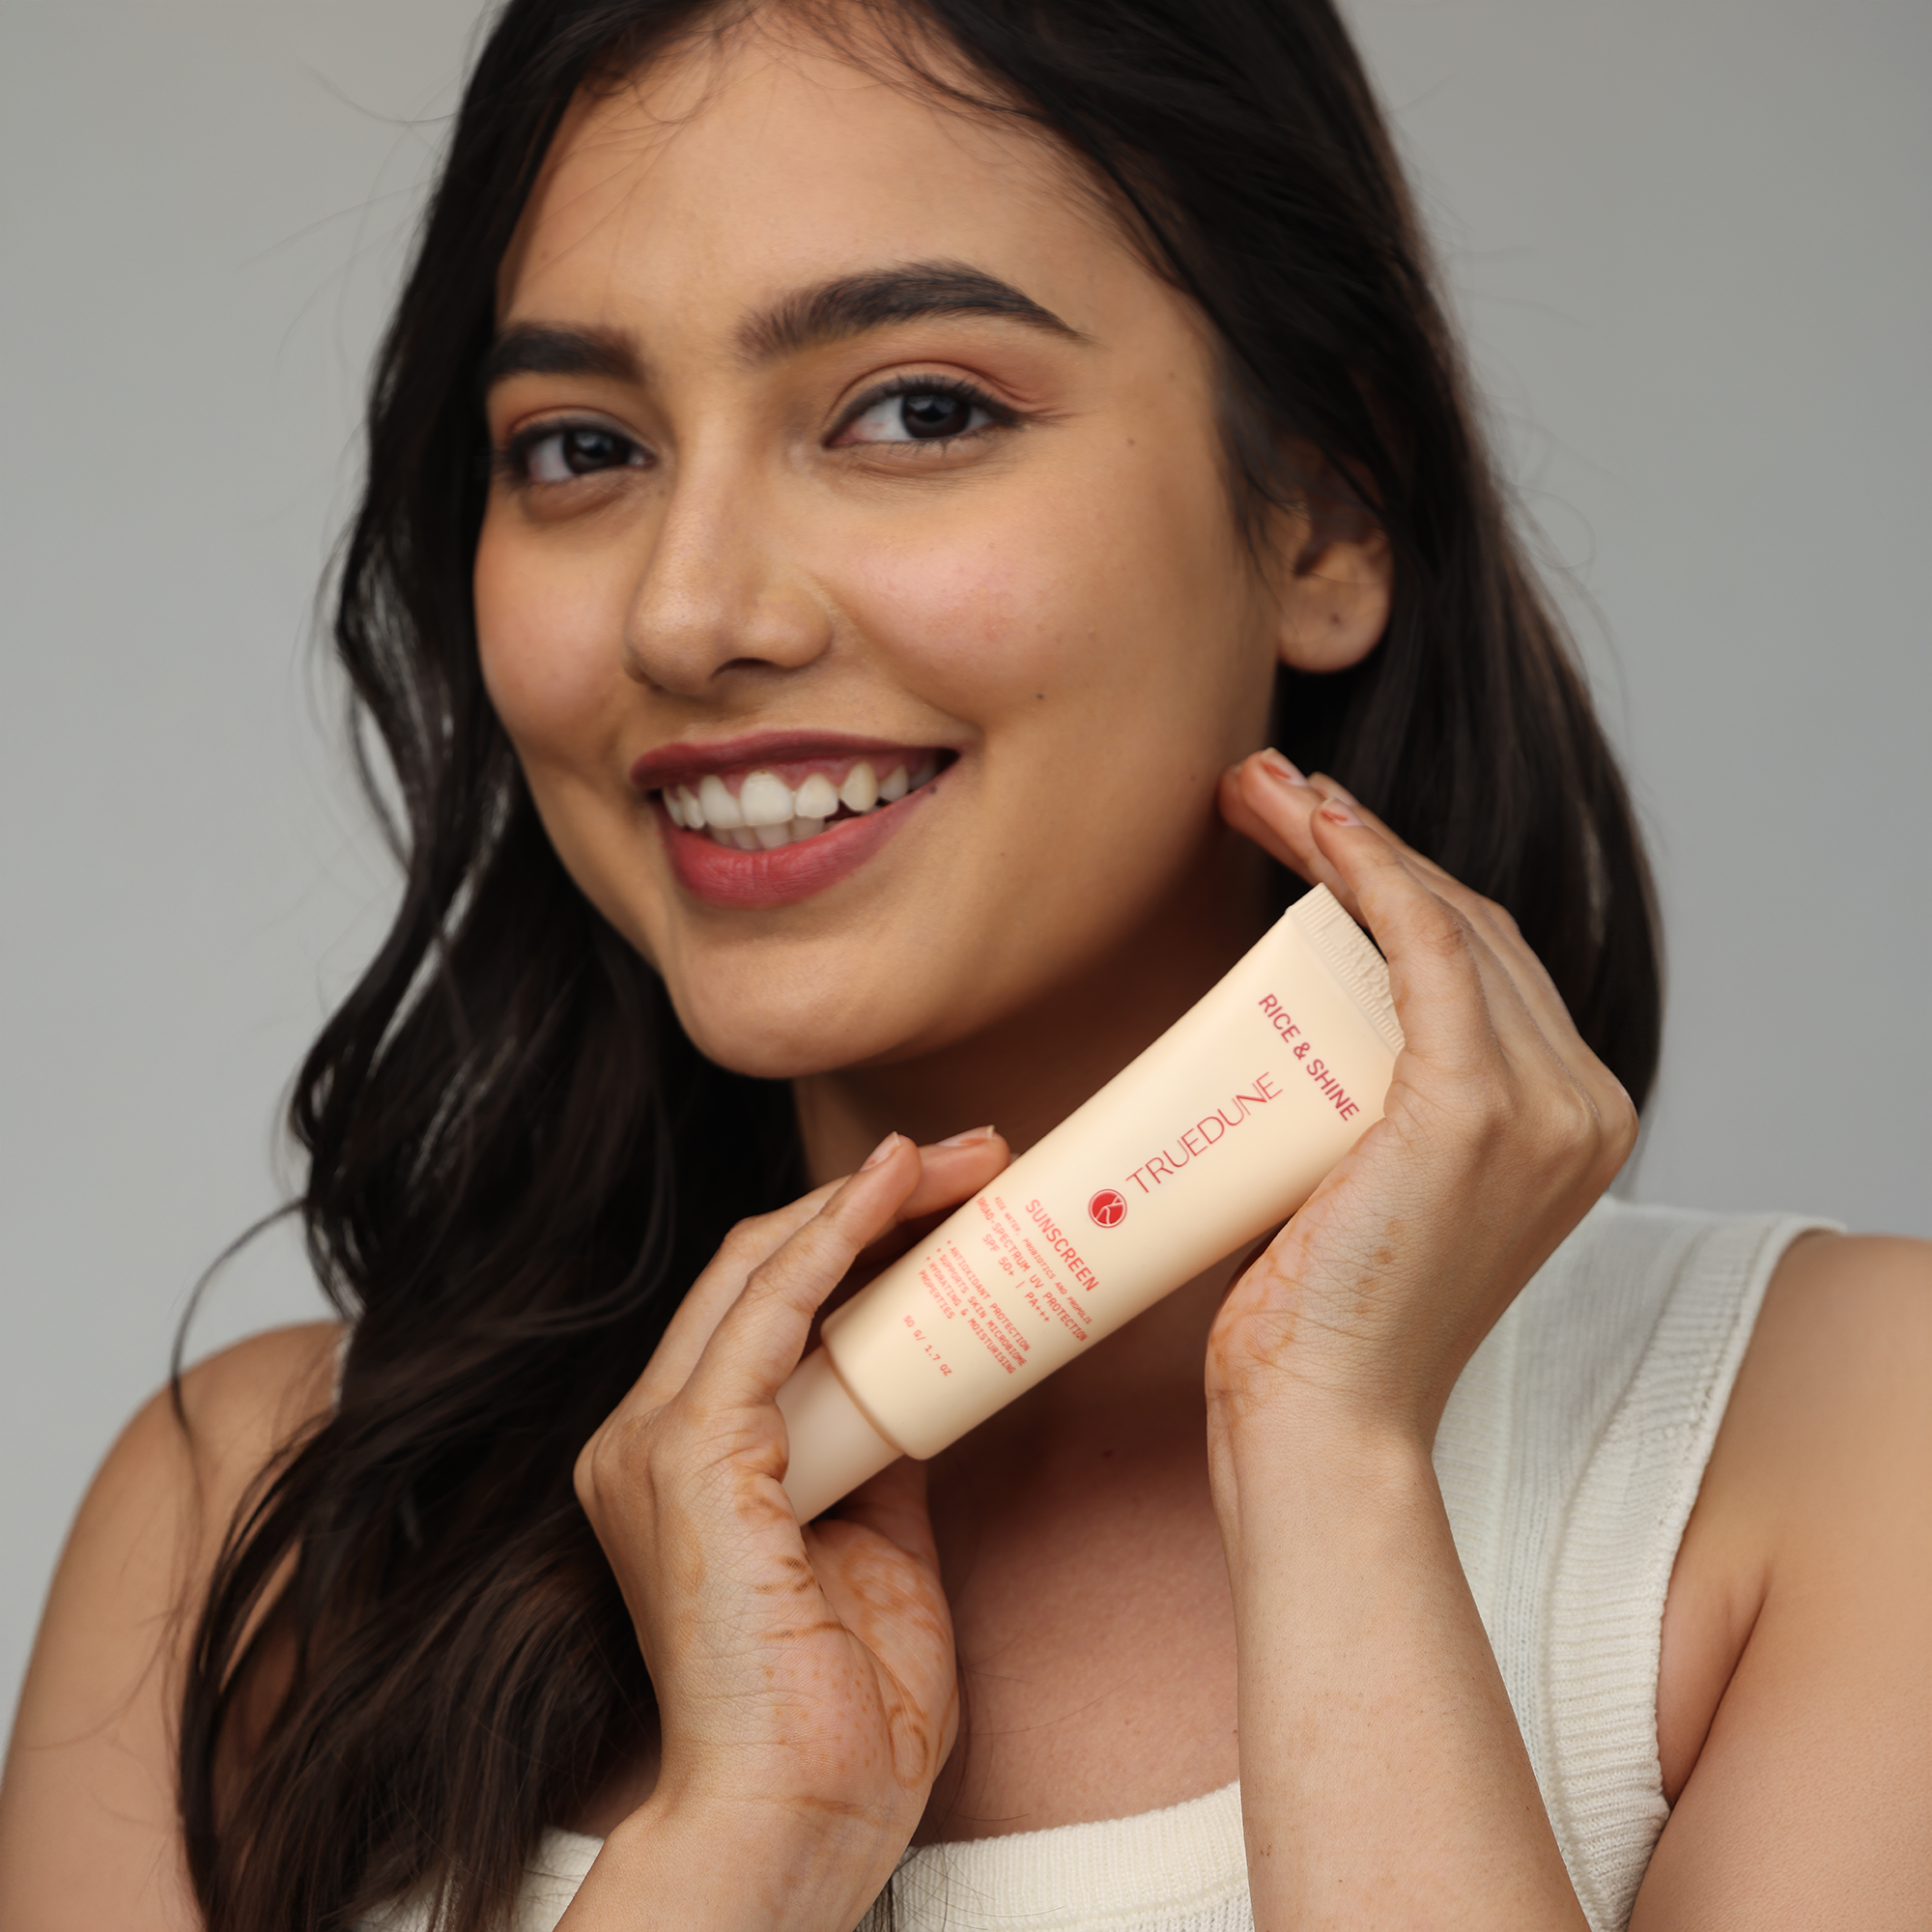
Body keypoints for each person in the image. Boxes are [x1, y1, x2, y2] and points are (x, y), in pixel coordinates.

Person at [1, 0, 1925, 1926]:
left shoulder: (1846, 1453)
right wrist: (733, 1850)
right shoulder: (247, 1541)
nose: (688, 611)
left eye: (918, 410)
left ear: (1326, 510)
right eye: (580, 447)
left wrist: (1335, 1469)